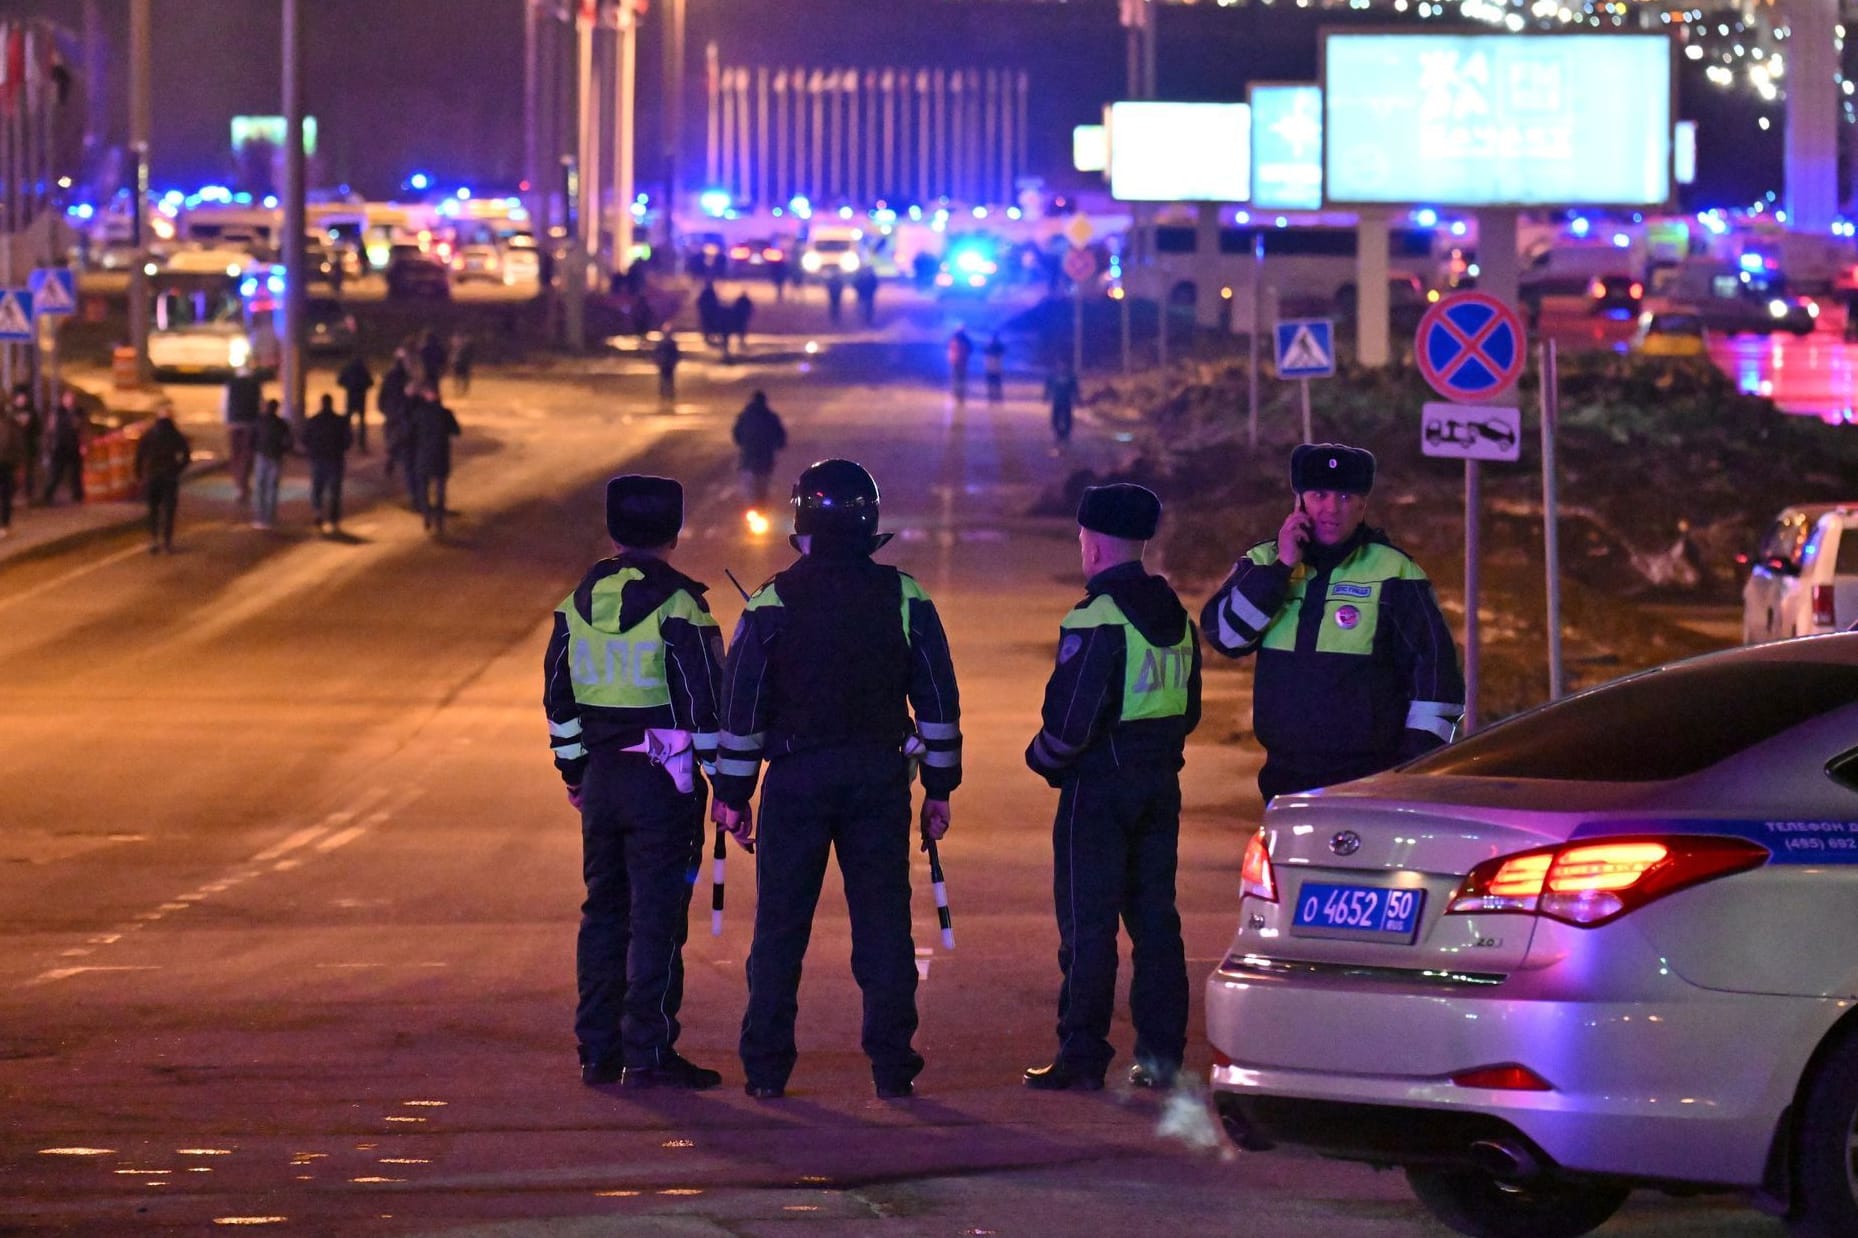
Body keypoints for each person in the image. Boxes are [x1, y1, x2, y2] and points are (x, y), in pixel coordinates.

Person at [714, 459, 963, 1100]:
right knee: (883, 926)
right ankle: (892, 1069)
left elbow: (740, 711)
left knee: (779, 930)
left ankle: (766, 1071)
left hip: (796, 780)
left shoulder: (771, 601)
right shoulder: (906, 597)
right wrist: (939, 786)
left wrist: (733, 796)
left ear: (800, 525)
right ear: (870, 524)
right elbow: (937, 699)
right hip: (879, 782)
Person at [543, 475, 727, 1090]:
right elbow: (705, 707)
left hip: (601, 776)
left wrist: (575, 772)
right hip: (664, 774)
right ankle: (647, 1051)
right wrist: (727, 788)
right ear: (673, 534)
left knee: (603, 914)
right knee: (657, 917)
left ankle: (596, 1052)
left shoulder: (576, 604)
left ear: (613, 530)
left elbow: (557, 700)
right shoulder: (682, 606)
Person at [1023, 484, 1200, 1092]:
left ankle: (1081, 1055)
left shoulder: (1096, 617)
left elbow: (1070, 720)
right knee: (1156, 923)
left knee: (1087, 925)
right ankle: (1160, 1058)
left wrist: (1042, 760)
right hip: (1159, 786)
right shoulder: (1176, 616)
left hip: (1097, 792)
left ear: (1093, 544)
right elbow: (1191, 709)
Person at [1200, 443, 1464, 804]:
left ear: (1362, 505)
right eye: (1319, 494)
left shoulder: (1395, 572)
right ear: (1299, 502)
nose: (1331, 508)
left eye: (1344, 495)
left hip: (1370, 780)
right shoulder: (1263, 561)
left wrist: (1411, 767)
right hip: (1283, 777)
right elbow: (1226, 637)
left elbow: (1436, 676)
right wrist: (1281, 568)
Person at [134, 401, 191, 554]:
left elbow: (139, 455)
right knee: (168, 510)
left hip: (152, 476)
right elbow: (186, 456)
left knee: (153, 509)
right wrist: (177, 469)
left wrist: (139, 474)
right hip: (169, 477)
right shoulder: (176, 434)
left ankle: (153, 540)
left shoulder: (149, 434)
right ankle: (166, 542)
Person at [407, 384, 461, 536]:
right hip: (441, 456)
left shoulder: (419, 413)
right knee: (440, 490)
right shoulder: (446, 413)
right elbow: (457, 431)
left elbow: (410, 433)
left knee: (423, 488)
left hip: (423, 456)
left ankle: (426, 515)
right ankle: (439, 520)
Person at [303, 393, 353, 535]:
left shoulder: (314, 421)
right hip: (335, 459)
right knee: (335, 491)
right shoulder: (340, 421)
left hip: (318, 459)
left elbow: (305, 439)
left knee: (317, 488)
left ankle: (318, 513)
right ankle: (333, 520)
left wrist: (312, 451)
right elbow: (348, 440)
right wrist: (340, 449)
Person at [731, 390, 787, 508]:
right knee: (764, 486)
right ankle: (762, 507)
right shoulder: (771, 417)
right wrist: (778, 446)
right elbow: (780, 436)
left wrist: (744, 445)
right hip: (766, 459)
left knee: (750, 486)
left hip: (748, 458)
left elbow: (736, 435)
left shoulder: (744, 416)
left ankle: (751, 508)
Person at [221, 364, 263, 505]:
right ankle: (243, 485)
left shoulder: (230, 385)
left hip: (234, 424)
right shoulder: (255, 385)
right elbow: (261, 405)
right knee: (247, 456)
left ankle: (240, 486)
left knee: (235, 456)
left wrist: (226, 421)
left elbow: (224, 404)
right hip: (250, 424)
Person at [251, 399, 292, 530]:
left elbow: (252, 439)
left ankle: (261, 517)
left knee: (261, 486)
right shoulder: (281, 423)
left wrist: (256, 450)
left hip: (262, 455)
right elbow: (288, 442)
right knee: (272, 487)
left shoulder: (259, 421)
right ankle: (269, 517)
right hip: (275, 456)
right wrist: (282, 451)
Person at [40, 389, 85, 506]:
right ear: (63, 399)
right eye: (67, 398)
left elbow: (82, 429)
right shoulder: (57, 412)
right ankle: (47, 496)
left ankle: (78, 496)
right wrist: (48, 446)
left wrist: (83, 444)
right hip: (59, 447)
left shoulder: (79, 412)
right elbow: (49, 430)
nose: (69, 400)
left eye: (71, 398)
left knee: (76, 474)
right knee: (56, 473)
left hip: (74, 446)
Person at [380, 350, 412, 483]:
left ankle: (391, 458)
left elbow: (383, 394)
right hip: (402, 412)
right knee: (403, 437)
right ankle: (398, 460)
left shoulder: (390, 376)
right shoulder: (406, 377)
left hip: (391, 411)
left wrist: (383, 408)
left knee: (391, 437)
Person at [337, 352, 374, 454]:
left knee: (347, 422)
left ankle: (347, 442)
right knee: (361, 423)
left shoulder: (348, 369)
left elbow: (340, 381)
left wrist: (348, 386)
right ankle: (361, 444)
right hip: (361, 399)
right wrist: (363, 387)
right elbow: (370, 382)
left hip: (350, 398)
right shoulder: (363, 370)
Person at [10, 385, 39, 505]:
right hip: (12, 448)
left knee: (28, 472)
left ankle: (28, 496)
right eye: (20, 397)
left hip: (28, 446)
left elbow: (38, 428)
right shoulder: (10, 411)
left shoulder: (31, 411)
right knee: (12, 473)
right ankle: (11, 495)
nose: (22, 400)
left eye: (24, 397)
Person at [0, 392, 23, 537]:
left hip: (6, 463)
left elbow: (16, 444)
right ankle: (5, 524)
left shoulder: (10, 424)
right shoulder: (10, 424)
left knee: (5, 495)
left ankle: (5, 524)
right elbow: (17, 445)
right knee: (5, 495)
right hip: (7, 463)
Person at [1045, 365, 1080, 448]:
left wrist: (1077, 398)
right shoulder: (1052, 376)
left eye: (1063, 365)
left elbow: (1075, 388)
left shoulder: (1071, 377)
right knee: (1055, 418)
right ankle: (1058, 433)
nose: (1062, 367)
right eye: (1060, 365)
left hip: (1067, 401)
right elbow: (1048, 387)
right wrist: (1046, 396)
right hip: (1057, 400)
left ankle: (1066, 434)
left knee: (1068, 418)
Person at [653, 331, 682, 406]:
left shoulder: (671, 343)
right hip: (664, 364)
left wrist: (674, 361)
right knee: (664, 380)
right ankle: (664, 395)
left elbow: (676, 354)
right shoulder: (662, 343)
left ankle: (669, 395)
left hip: (669, 364)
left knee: (669, 380)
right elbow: (656, 353)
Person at [947, 328, 973, 404]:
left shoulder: (953, 339)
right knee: (961, 378)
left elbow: (947, 346)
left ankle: (956, 393)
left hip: (954, 360)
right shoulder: (966, 340)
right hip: (963, 361)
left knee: (955, 377)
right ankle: (961, 393)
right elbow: (971, 349)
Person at [418, 328, 448, 394]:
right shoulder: (438, 347)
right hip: (435, 370)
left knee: (426, 387)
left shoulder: (423, 348)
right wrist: (443, 368)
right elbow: (443, 358)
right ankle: (435, 400)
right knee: (434, 386)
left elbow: (419, 359)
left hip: (425, 370)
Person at [450, 329, 476, 396]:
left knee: (462, 377)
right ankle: (460, 390)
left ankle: (462, 390)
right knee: (460, 377)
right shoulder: (458, 346)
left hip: (462, 363)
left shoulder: (465, 346)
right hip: (460, 363)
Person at [696, 282, 722, 347]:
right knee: (709, 325)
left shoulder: (707, 293)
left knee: (708, 325)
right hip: (709, 313)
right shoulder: (710, 293)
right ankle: (709, 336)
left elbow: (700, 301)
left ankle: (709, 337)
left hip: (708, 313)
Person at [983, 334, 1006, 404]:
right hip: (997, 367)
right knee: (997, 383)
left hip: (989, 367)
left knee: (990, 383)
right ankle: (998, 397)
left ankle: (991, 397)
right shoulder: (998, 346)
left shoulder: (988, 346)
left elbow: (983, 350)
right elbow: (1004, 350)